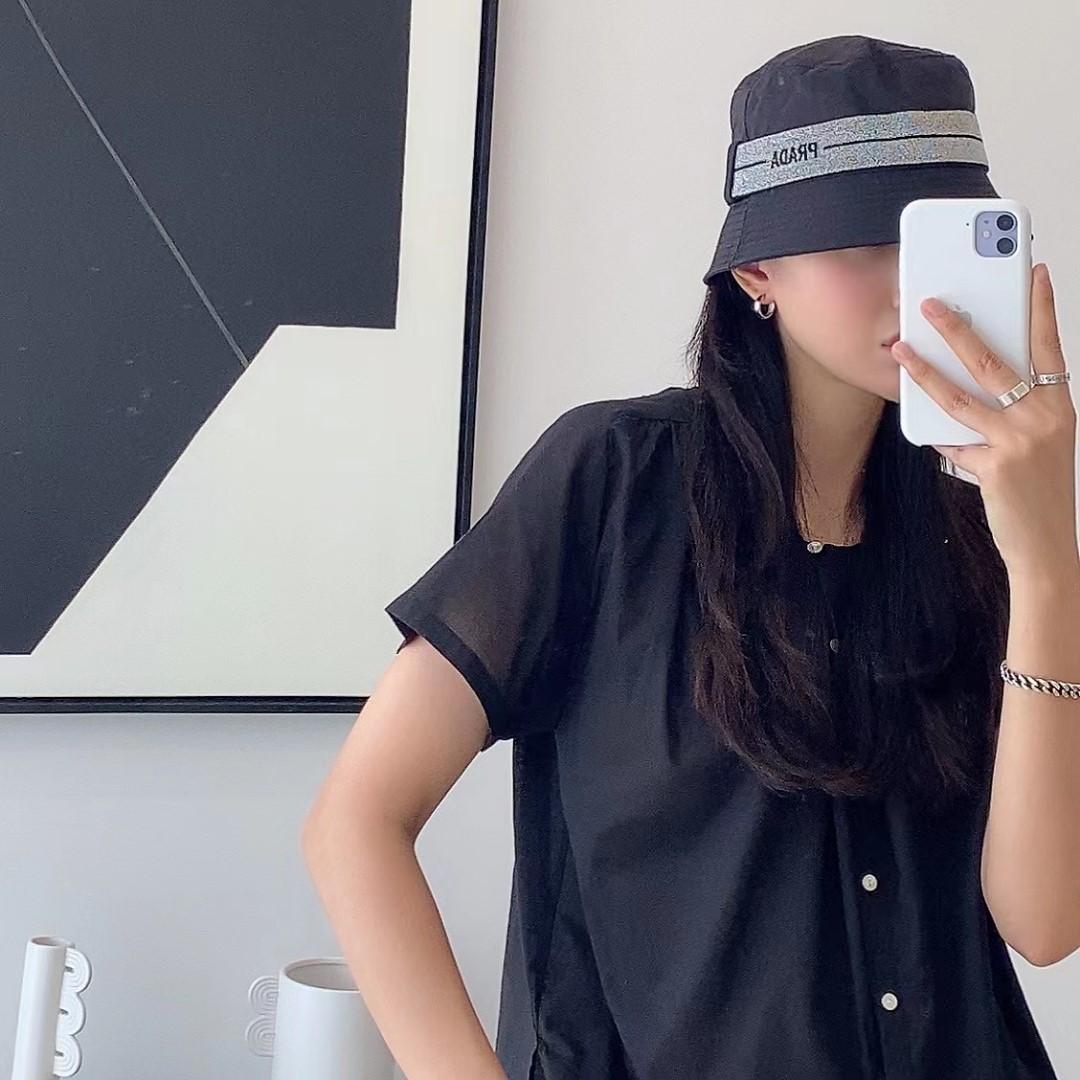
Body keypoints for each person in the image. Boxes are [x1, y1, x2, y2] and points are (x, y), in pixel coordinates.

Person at [302, 34, 1063, 1080]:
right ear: (757, 271)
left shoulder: (979, 527)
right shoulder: (614, 484)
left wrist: (1049, 559)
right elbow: (355, 822)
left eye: (935, 248)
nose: (911, 294)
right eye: (861, 247)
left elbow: (1043, 922)